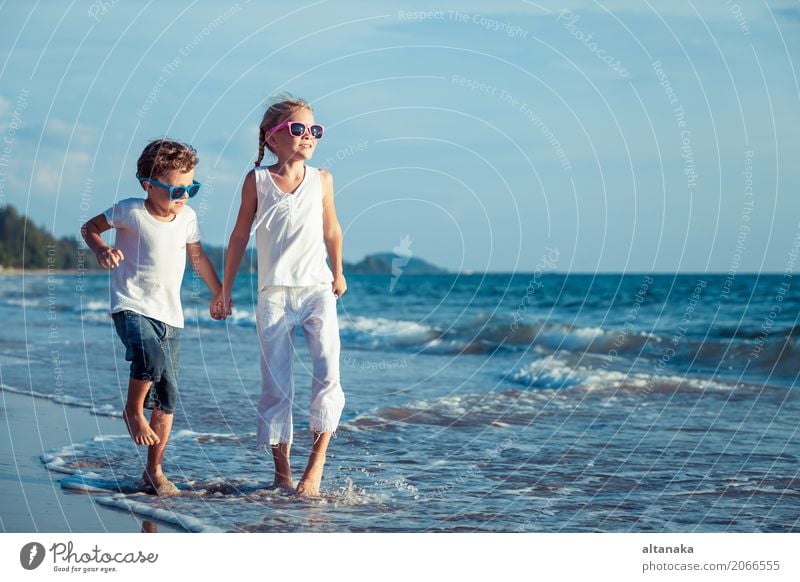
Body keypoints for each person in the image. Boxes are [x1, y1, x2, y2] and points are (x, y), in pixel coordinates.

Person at [212, 95, 346, 497]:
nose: (308, 136)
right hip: (273, 295)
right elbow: (239, 236)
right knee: (276, 386)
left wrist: (338, 272)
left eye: (314, 130)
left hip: (317, 290)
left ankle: (316, 464)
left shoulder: (322, 178)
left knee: (328, 374)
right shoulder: (256, 181)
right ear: (272, 139)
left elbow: (332, 230)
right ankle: (282, 474)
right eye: (298, 129)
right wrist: (224, 288)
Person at [81, 139, 222, 496]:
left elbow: (197, 258)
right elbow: (90, 227)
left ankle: (153, 471)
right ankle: (132, 409)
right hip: (130, 305)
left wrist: (218, 291)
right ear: (148, 185)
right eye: (177, 189)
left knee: (168, 396)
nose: (184, 195)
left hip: (170, 315)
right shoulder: (130, 211)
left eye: (192, 187)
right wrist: (102, 248)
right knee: (149, 356)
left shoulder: (187, 218)